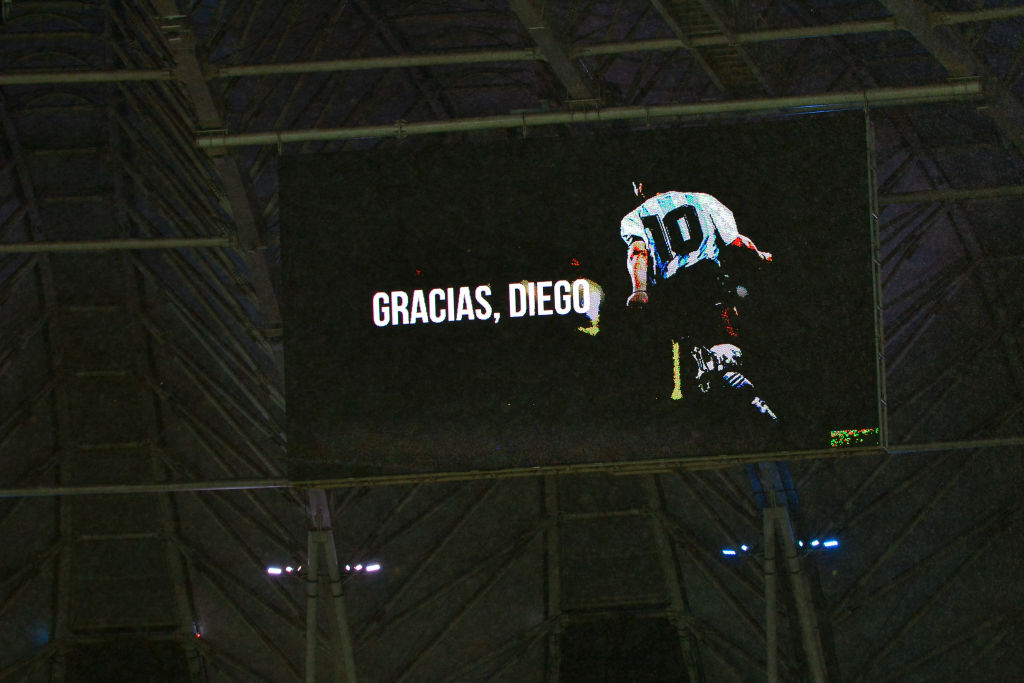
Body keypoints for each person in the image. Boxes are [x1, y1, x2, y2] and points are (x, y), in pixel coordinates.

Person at [620, 182, 778, 421]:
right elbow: (735, 241)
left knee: (695, 356)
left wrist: (639, 290)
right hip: (709, 281)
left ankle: (729, 402)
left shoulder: (635, 216)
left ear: (640, 187)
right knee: (726, 351)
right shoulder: (703, 199)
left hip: (672, 291)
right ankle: (756, 410)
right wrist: (760, 256)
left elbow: (638, 252)